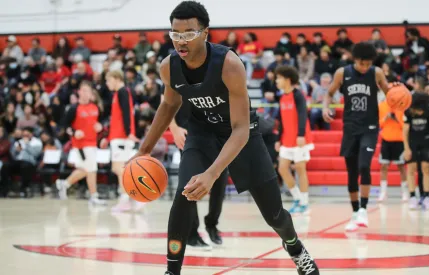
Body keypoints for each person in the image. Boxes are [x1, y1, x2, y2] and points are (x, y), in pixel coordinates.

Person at [128, 2, 320, 275]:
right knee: (184, 196)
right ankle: (172, 271)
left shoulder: (229, 64)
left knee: (274, 214)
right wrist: (143, 151)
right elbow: (169, 105)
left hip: (243, 136)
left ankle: (296, 248)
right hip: (202, 134)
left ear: (205, 33)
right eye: (175, 33)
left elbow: (240, 128)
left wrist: (212, 173)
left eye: (188, 33)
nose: (181, 41)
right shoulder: (168, 67)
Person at [323, 42, 395, 231]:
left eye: (368, 64)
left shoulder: (376, 72)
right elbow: (329, 93)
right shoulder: (342, 73)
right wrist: (325, 107)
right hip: (350, 127)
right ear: (355, 60)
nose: (365, 67)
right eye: (362, 63)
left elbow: (390, 94)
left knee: (364, 165)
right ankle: (355, 213)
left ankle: (363, 209)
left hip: (370, 127)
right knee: (352, 171)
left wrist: (397, 92)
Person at [169, 101, 227, 250]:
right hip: (189, 134)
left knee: (220, 183)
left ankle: (212, 224)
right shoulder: (175, 77)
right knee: (190, 182)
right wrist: (174, 129)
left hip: (216, 132)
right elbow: (166, 102)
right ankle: (192, 233)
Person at [56, 81, 106, 205]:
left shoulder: (95, 107)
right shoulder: (73, 108)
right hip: (81, 145)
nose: (85, 93)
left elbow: (100, 123)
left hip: (93, 143)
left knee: (85, 169)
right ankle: (94, 197)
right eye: (82, 90)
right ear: (79, 92)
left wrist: (100, 127)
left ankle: (64, 184)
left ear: (91, 94)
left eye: (87, 91)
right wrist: (74, 132)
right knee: (92, 169)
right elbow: (65, 126)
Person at [100, 70, 141, 212]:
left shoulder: (123, 92)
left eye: (108, 80)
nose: (107, 83)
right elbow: (117, 118)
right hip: (117, 137)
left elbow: (126, 113)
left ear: (116, 78)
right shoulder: (119, 93)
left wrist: (129, 132)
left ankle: (127, 199)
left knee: (119, 169)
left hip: (122, 137)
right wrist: (108, 137)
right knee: (122, 169)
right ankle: (135, 198)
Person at [274, 65, 314, 215]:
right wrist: (278, 139)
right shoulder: (282, 97)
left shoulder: (298, 95)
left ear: (287, 79)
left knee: (300, 169)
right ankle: (297, 198)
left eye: (278, 78)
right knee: (282, 168)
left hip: (299, 139)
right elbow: (282, 120)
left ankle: (305, 203)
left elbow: (303, 115)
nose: (276, 81)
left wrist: (301, 135)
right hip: (286, 139)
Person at [403, 92, 429, 210]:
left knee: (426, 169)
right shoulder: (408, 111)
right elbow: (405, 130)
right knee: (411, 169)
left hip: (427, 142)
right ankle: (412, 197)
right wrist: (406, 148)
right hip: (413, 143)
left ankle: (426, 197)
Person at [377, 98, 407, 202]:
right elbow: (379, 124)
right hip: (386, 139)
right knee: (384, 166)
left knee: (401, 166)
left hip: (399, 140)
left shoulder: (402, 106)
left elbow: (405, 125)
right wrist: (385, 118)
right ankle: (383, 192)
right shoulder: (381, 106)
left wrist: (397, 120)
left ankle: (404, 192)